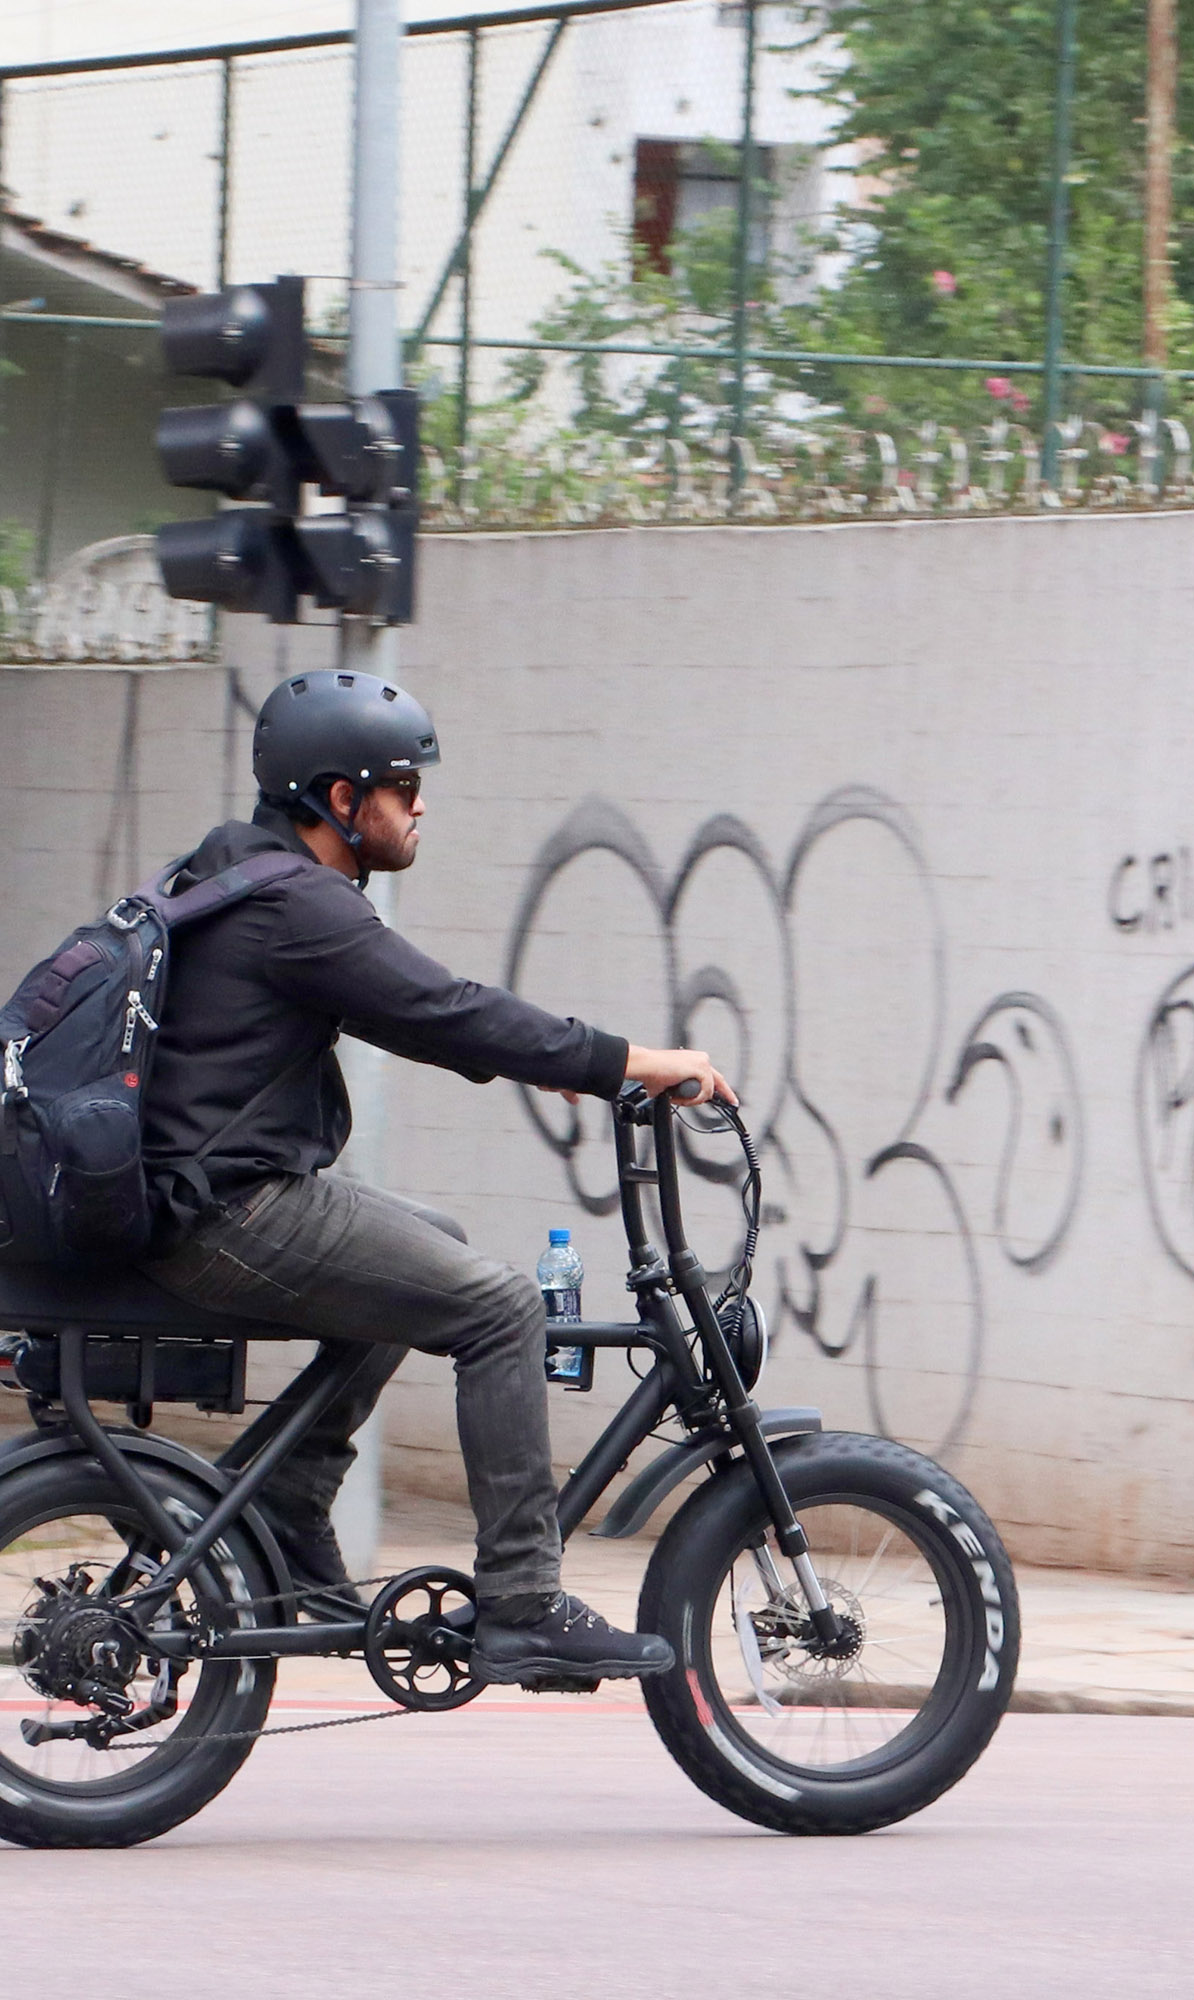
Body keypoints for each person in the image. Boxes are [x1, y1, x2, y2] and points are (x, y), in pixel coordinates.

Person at [136, 670, 731, 1685]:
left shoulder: (234, 875)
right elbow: (450, 1009)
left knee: (434, 1240)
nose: (421, 806)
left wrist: (566, 1062)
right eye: (403, 785)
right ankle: (523, 1599)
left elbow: (422, 1014)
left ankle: (288, 1494)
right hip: (227, 1209)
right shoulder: (298, 906)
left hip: (198, 1195)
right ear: (340, 799)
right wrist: (636, 1060)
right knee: (500, 1306)